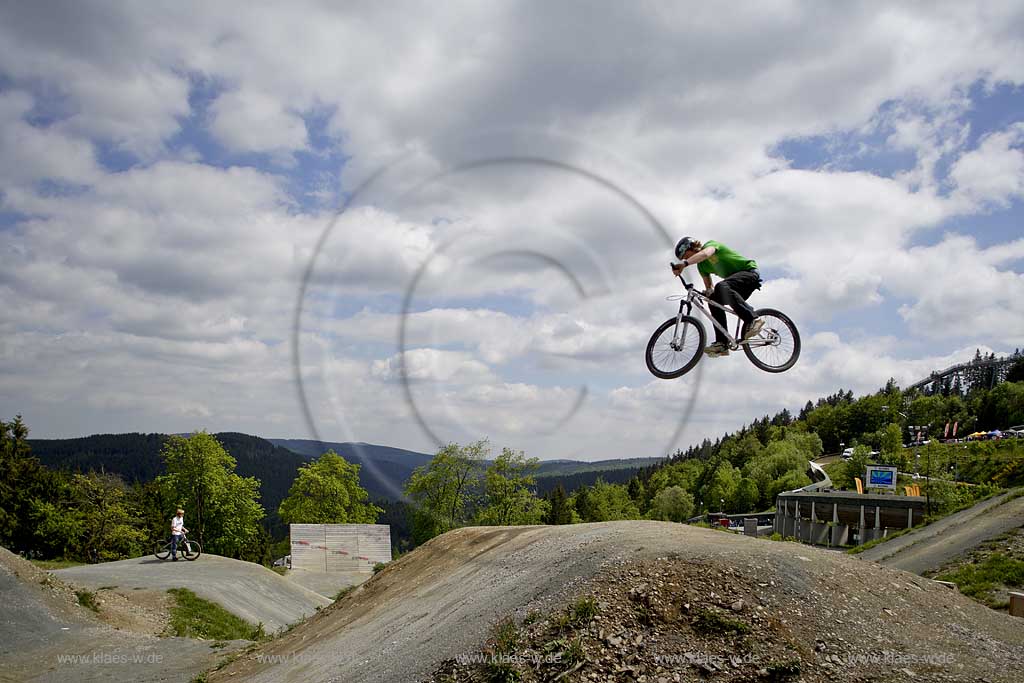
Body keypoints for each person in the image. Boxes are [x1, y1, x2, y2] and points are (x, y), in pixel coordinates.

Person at [671, 236, 763, 357]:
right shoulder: (702, 267)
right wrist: (708, 292)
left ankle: (753, 319)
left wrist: (684, 264)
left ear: (691, 247)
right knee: (713, 300)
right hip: (735, 288)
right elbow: (710, 287)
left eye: (685, 255)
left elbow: (705, 254)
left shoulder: (710, 245)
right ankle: (722, 343)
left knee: (722, 286)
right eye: (683, 258)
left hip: (749, 274)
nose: (685, 258)